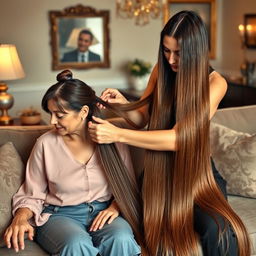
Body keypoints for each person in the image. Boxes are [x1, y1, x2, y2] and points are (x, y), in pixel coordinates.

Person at [88, 11, 251, 256]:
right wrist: (121, 105)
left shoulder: (215, 83)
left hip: (198, 177)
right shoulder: (160, 70)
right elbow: (141, 119)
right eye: (166, 50)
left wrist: (117, 135)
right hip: (159, 172)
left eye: (179, 53)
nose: (171, 59)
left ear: (196, 50)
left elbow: (179, 138)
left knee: (219, 230)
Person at [3, 70, 142, 256]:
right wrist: (20, 218)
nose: (52, 121)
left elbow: (127, 185)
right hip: (59, 215)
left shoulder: (112, 137)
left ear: (83, 112)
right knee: (76, 243)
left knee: (121, 238)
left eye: (60, 115)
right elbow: (32, 193)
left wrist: (115, 207)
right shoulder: (46, 144)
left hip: (103, 211)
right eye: (50, 113)